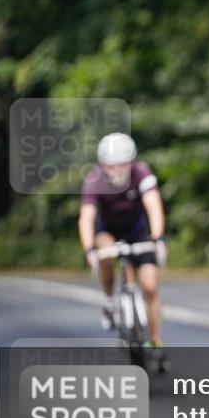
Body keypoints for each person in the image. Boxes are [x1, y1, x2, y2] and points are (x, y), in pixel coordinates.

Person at [79, 133, 168, 354]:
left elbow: (154, 206)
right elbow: (87, 217)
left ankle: (155, 341)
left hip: (136, 230)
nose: (116, 170)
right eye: (111, 166)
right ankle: (109, 299)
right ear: (102, 165)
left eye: (122, 165)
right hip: (108, 230)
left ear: (131, 162)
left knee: (150, 285)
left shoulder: (142, 173)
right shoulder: (94, 180)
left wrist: (157, 238)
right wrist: (89, 249)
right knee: (105, 251)